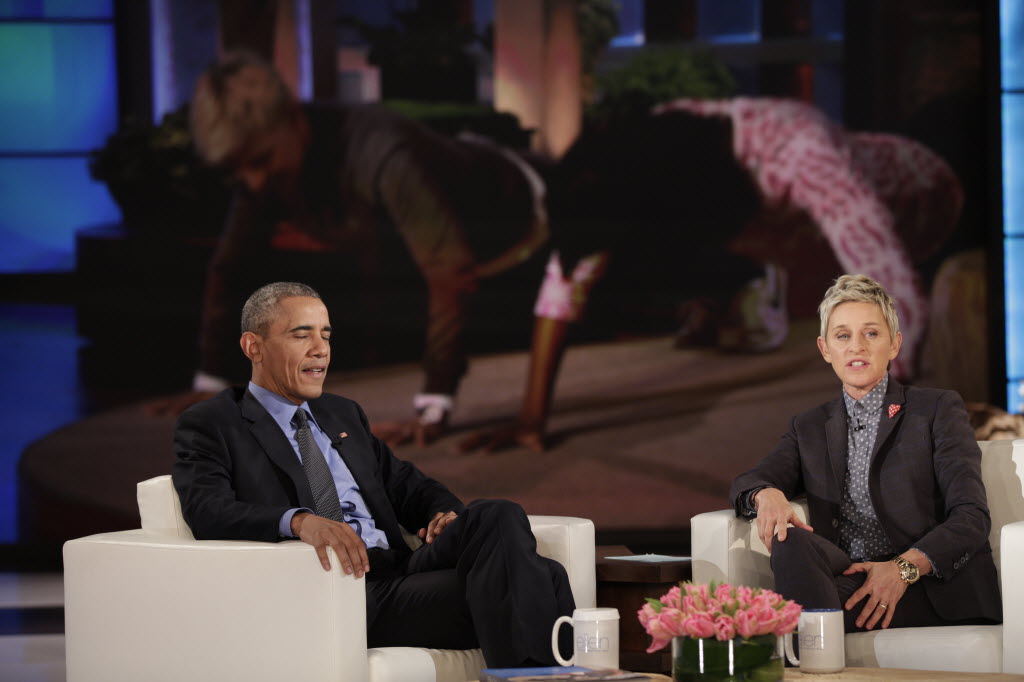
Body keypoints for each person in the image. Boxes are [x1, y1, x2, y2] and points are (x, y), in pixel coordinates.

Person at [461, 97, 962, 452]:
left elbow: (890, 288)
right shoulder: (637, 159)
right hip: (806, 236)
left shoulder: (799, 152)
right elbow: (564, 282)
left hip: (938, 206)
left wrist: (888, 427)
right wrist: (531, 418)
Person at [151, 51, 549, 446]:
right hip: (440, 238)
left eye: (261, 160)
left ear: (293, 118)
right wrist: (212, 378)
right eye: (239, 169)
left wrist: (435, 403)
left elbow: (450, 271)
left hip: (533, 215)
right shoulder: (264, 172)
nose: (253, 182)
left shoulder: (383, 151)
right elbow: (230, 267)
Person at [171, 281, 575, 666]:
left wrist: (442, 513)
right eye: (301, 335)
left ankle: (527, 674)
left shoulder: (341, 413)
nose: (320, 350)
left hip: (398, 569)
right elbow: (206, 509)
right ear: (253, 347)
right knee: (542, 578)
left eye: (326, 335)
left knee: (498, 514)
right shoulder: (214, 422)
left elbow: (406, 484)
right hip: (344, 588)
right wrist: (298, 521)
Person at [728, 274, 1000, 632]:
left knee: (798, 613)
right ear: (826, 349)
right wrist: (766, 494)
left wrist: (902, 569)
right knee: (789, 539)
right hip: (851, 571)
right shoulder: (809, 426)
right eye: (843, 336)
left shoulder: (936, 409)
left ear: (894, 344)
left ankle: (801, 649)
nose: (857, 346)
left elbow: (971, 516)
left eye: (871, 333)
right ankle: (809, 647)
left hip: (928, 583)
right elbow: (750, 479)